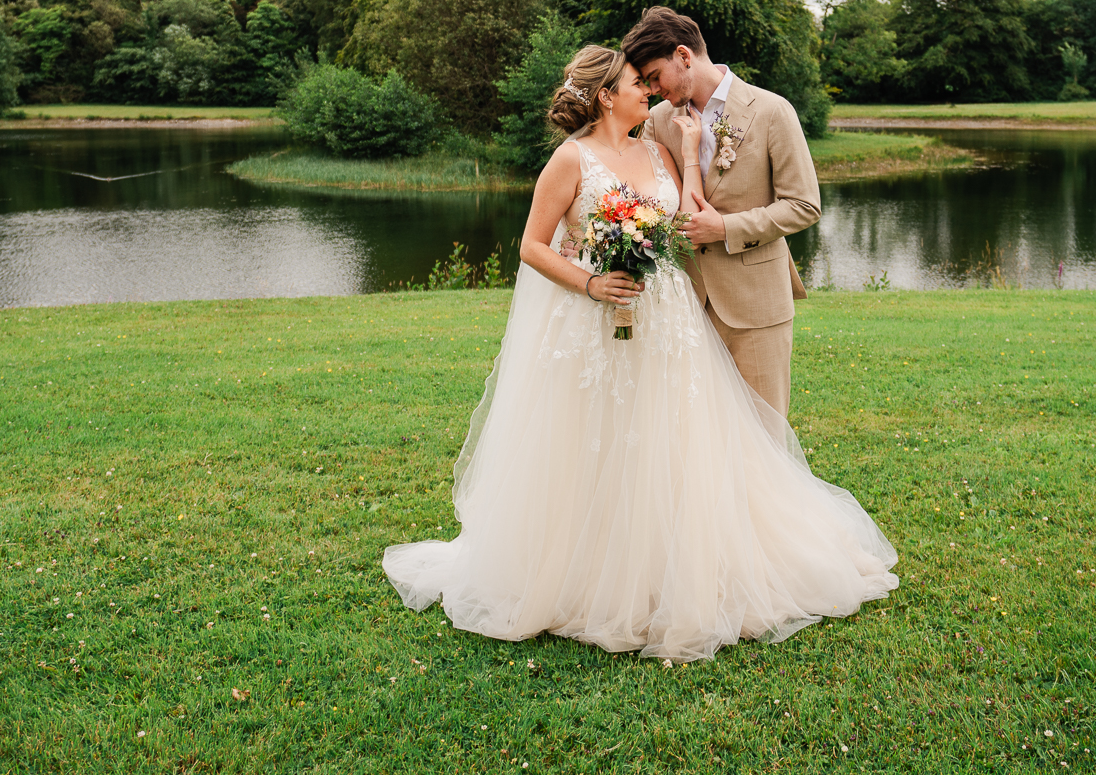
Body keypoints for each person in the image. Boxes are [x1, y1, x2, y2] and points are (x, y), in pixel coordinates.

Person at [381, 44, 897, 662]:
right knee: (601, 442)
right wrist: (593, 282)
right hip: (595, 321)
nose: (649, 91)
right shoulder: (570, 160)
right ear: (606, 95)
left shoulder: (656, 147)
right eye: (637, 82)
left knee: (673, 441)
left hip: (668, 320)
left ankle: (682, 567)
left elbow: (688, 217)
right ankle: (595, 575)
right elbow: (531, 247)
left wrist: (685, 155)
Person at [623, 6, 816, 415]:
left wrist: (725, 227)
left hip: (757, 305)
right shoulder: (658, 120)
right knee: (699, 441)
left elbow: (803, 205)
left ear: (683, 56)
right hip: (686, 305)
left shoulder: (771, 110)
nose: (653, 89)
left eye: (655, 76)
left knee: (764, 438)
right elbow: (652, 205)